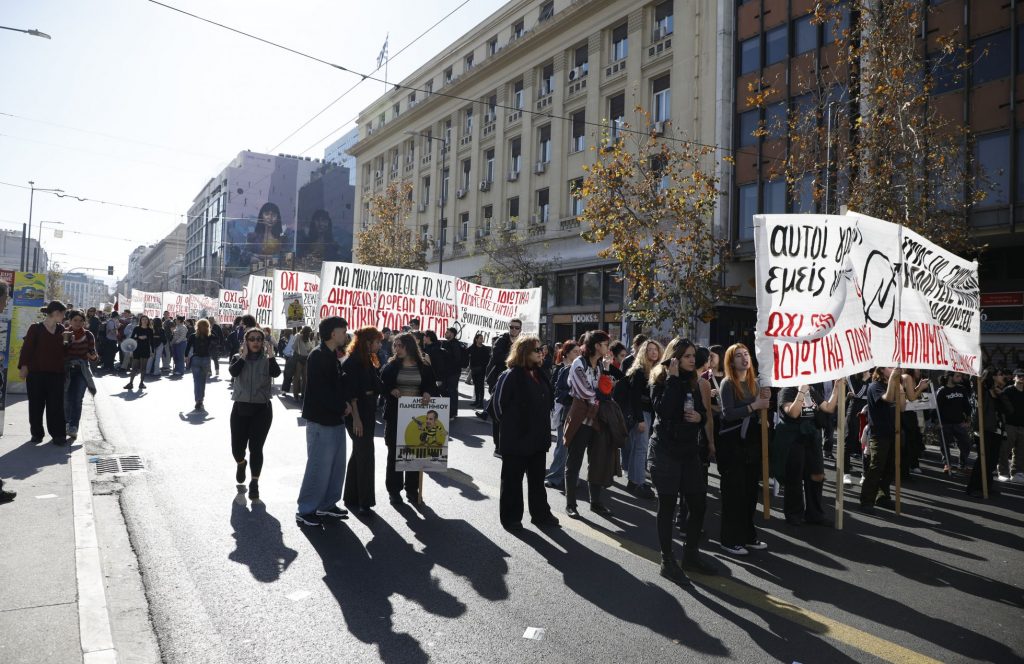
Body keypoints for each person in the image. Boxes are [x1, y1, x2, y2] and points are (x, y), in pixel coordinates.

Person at [648, 337, 715, 582]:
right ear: (675, 357)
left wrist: (699, 416)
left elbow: (703, 411)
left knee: (698, 504)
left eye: (693, 356)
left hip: (688, 453)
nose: (692, 360)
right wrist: (674, 378)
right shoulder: (661, 380)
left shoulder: (694, 381)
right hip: (665, 452)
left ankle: (691, 555)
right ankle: (667, 560)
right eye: (687, 356)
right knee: (667, 507)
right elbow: (664, 410)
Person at [496, 335, 560, 532]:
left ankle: (540, 514)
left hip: (538, 439)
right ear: (524, 352)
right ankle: (511, 518)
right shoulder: (510, 375)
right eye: (536, 350)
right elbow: (498, 407)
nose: (541, 352)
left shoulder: (541, 374)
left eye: (541, 349)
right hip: (516, 440)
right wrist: (512, 428)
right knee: (513, 482)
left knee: (537, 481)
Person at [295, 317, 351, 527]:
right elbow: (321, 391)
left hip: (334, 419)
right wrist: (341, 406)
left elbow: (336, 386)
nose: (346, 333)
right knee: (319, 466)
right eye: (342, 330)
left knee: (336, 466)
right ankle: (306, 509)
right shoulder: (318, 355)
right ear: (332, 333)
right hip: (321, 419)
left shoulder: (332, 355)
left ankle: (327, 505)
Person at [717, 343, 771, 555]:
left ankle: (748, 535)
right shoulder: (727, 384)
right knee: (734, 494)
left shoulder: (755, 383)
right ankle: (729, 539)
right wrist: (754, 407)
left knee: (749, 494)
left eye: (746, 354)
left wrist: (762, 413)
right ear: (731, 361)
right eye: (738, 356)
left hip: (751, 444)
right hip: (732, 445)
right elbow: (728, 413)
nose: (744, 359)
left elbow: (760, 410)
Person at [562, 330, 616, 517]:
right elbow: (585, 392)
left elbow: (605, 389)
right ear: (596, 346)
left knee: (597, 460)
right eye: (605, 344)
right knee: (574, 460)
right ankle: (571, 504)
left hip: (597, 418)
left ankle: (596, 502)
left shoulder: (600, 365)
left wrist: (607, 376)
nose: (608, 348)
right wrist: (601, 394)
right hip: (581, 417)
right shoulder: (579, 363)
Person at [776, 376, 842, 527]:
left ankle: (815, 513)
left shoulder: (812, 390)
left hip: (812, 438)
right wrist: (800, 392)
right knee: (795, 477)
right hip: (794, 439)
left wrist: (837, 388)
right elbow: (792, 413)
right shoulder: (787, 390)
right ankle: (794, 513)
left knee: (817, 476)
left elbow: (828, 407)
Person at [380, 332, 437, 504]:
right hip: (396, 415)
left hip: (416, 414)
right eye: (395, 346)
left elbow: (431, 384)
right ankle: (394, 490)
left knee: (414, 452)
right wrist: (391, 390)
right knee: (394, 454)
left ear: (409, 347)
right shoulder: (391, 366)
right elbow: (381, 384)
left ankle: (412, 489)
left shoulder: (423, 366)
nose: (397, 349)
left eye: (400, 345)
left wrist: (427, 392)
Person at [229, 327, 281, 501]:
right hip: (240, 409)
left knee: (256, 448)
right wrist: (243, 355)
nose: (256, 342)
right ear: (246, 341)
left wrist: (272, 354)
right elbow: (233, 372)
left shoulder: (267, 360)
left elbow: (276, 373)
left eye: (259, 339)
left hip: (262, 410)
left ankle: (254, 483)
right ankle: (241, 463)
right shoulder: (238, 358)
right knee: (237, 449)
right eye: (252, 339)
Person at [341, 326, 384, 516]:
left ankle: (351, 496)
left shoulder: (368, 360)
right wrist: (356, 419)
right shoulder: (353, 362)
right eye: (377, 341)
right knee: (366, 455)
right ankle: (365, 501)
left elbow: (377, 386)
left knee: (359, 453)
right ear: (368, 342)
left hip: (367, 410)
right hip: (358, 414)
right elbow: (351, 395)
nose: (380, 344)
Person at [19, 300, 69, 445]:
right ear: (55, 313)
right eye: (63, 314)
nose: (64, 317)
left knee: (56, 406)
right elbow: (27, 349)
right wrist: (24, 366)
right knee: (36, 405)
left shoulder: (62, 330)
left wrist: (67, 342)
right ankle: (37, 434)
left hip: (56, 373)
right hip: (36, 374)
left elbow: (64, 353)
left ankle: (58, 435)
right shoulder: (35, 328)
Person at [860, 367, 904, 513]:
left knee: (891, 467)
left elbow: (903, 406)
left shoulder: (893, 385)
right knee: (876, 467)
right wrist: (893, 380)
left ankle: (882, 497)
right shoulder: (875, 386)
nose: (894, 369)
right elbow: (888, 399)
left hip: (893, 432)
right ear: (881, 370)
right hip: (879, 434)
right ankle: (866, 500)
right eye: (890, 367)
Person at [623, 339, 663, 498]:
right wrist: (640, 419)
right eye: (649, 350)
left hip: (648, 414)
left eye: (656, 349)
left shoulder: (655, 369)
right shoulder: (640, 371)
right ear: (644, 353)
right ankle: (638, 483)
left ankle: (634, 481)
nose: (653, 352)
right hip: (641, 415)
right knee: (640, 450)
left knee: (638, 450)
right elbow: (634, 398)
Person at [968, 369, 1011, 496]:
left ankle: (986, 487)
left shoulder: (999, 393)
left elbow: (1010, 410)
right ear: (992, 377)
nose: (1003, 376)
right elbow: (974, 384)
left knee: (992, 461)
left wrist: (1001, 395)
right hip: (984, 430)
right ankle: (973, 488)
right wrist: (981, 377)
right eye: (1000, 374)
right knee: (983, 460)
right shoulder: (983, 393)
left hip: (997, 431)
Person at [545, 340, 580, 491]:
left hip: (579, 412)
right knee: (562, 445)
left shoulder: (581, 368)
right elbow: (557, 392)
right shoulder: (563, 370)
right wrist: (573, 393)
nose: (578, 355)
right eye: (575, 352)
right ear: (566, 353)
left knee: (574, 448)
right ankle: (554, 476)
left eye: (579, 352)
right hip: (565, 412)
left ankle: (571, 477)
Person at [63, 309, 98, 441]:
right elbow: (61, 352)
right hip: (66, 370)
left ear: (84, 322)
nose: (78, 323)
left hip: (81, 370)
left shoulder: (89, 335)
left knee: (77, 400)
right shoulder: (64, 333)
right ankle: (65, 423)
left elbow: (93, 354)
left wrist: (93, 357)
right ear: (70, 321)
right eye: (75, 320)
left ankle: (73, 427)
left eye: (81, 321)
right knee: (66, 399)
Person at [936, 371, 973, 473]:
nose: (960, 378)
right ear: (949, 377)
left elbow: (967, 406)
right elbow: (936, 408)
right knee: (945, 445)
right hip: (945, 423)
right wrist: (937, 422)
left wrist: (968, 420)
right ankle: (947, 464)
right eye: (957, 376)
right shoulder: (941, 391)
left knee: (966, 444)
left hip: (959, 423)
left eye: (960, 376)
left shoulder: (962, 389)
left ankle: (963, 465)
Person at [998, 369, 1024, 482]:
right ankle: (1003, 472)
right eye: (1019, 375)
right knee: (1005, 449)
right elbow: (1001, 407)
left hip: (1023, 425)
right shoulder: (1008, 391)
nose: (1022, 378)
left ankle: (1017, 472)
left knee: (1021, 451)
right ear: (1014, 377)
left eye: (1023, 376)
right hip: (1009, 424)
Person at [186, 319, 215, 412]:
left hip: (196, 359)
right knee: (202, 381)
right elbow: (219, 342)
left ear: (197, 326)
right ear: (208, 326)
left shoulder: (193, 336)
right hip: (206, 359)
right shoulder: (210, 336)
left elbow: (187, 348)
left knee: (196, 381)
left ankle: (198, 400)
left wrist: (186, 357)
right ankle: (201, 400)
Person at [441, 327, 468, 418]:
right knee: (446, 391)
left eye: (447, 332)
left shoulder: (455, 344)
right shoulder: (448, 343)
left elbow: (457, 359)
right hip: (448, 372)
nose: (445, 333)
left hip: (453, 372)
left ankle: (452, 413)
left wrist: (446, 355)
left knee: (452, 392)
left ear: (452, 334)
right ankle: (448, 411)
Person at [124, 315, 154, 391]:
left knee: (143, 368)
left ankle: (141, 383)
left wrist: (152, 351)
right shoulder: (137, 328)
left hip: (146, 350)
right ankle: (130, 383)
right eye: (143, 319)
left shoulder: (150, 330)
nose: (145, 321)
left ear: (148, 321)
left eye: (146, 319)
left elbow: (152, 342)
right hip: (137, 349)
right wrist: (138, 338)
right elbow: (132, 338)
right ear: (140, 321)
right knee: (134, 367)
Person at [291, 326, 314, 401]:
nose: (309, 334)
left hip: (306, 359)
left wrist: (310, 349)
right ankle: (295, 395)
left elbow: (310, 348)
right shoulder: (298, 336)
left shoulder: (309, 338)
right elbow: (293, 347)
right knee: (297, 378)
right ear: (305, 332)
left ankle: (303, 394)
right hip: (299, 359)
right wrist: (299, 352)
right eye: (309, 332)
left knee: (305, 378)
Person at [468, 333, 490, 408]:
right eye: (480, 338)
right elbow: (466, 353)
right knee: (476, 386)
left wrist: (483, 367)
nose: (482, 339)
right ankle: (476, 401)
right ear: (476, 339)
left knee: (481, 387)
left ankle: (481, 403)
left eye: (482, 338)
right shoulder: (472, 347)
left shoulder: (485, 349)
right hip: (474, 370)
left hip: (481, 370)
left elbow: (487, 360)